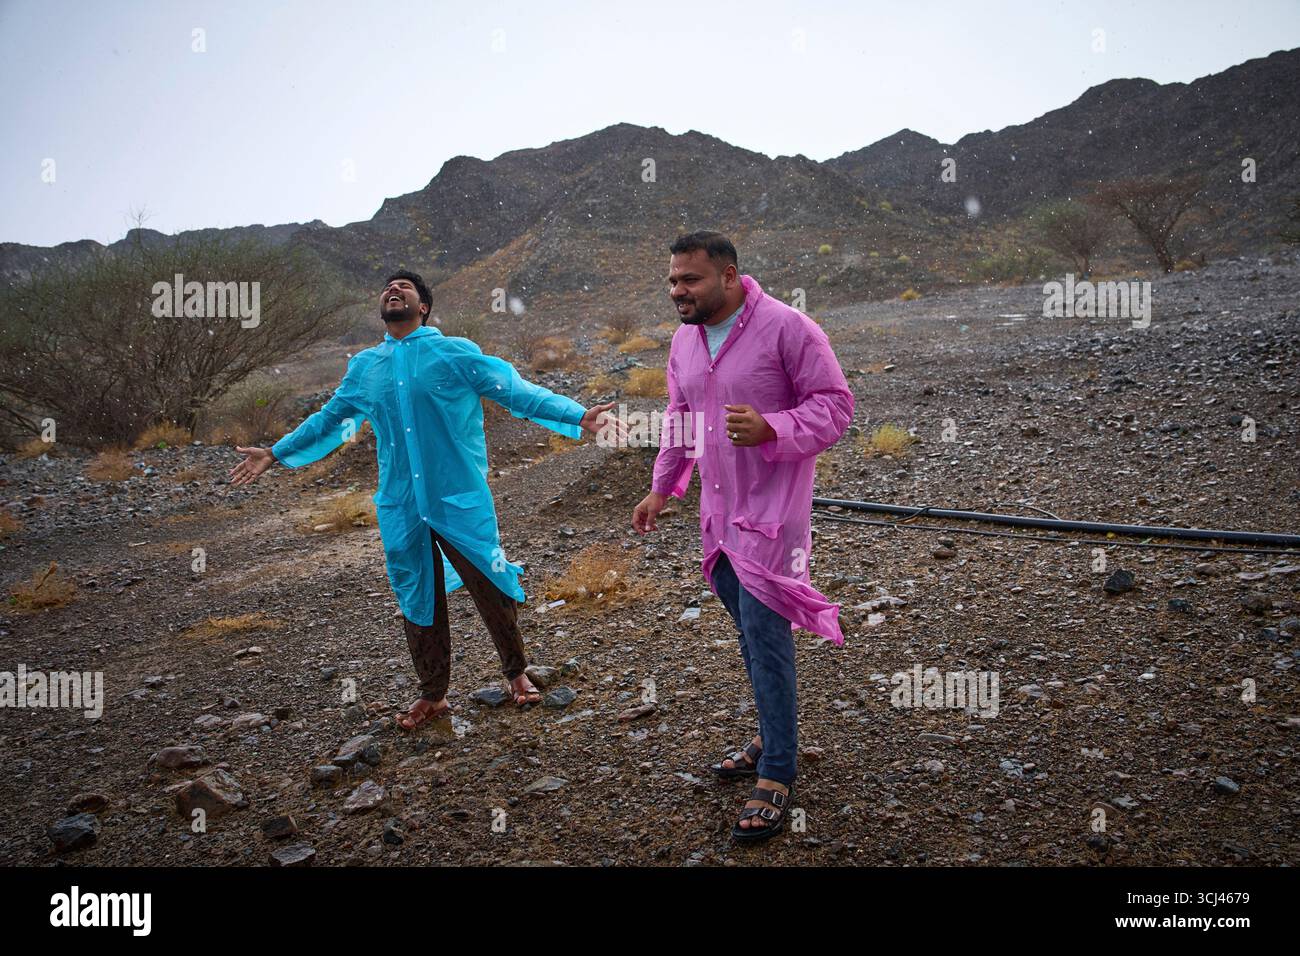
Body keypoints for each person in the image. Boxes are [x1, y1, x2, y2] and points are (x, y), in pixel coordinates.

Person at [231, 269, 620, 729]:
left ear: (424, 307)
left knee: (490, 584)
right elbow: (330, 420)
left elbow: (517, 392)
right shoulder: (365, 369)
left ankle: (517, 674)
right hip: (400, 503)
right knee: (417, 595)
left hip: (459, 496)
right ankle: (433, 695)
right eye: (387, 288)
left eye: (405, 288)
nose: (393, 290)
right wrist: (276, 453)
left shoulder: (454, 353)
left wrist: (577, 416)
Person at [633, 232, 854, 842]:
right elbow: (680, 419)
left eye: (691, 280)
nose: (677, 290)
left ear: (729, 277)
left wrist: (772, 427)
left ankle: (778, 770)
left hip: (773, 517)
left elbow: (835, 406)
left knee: (766, 635)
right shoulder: (684, 341)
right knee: (751, 637)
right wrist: (663, 486)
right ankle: (770, 734)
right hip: (718, 521)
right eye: (673, 280)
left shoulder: (789, 328)